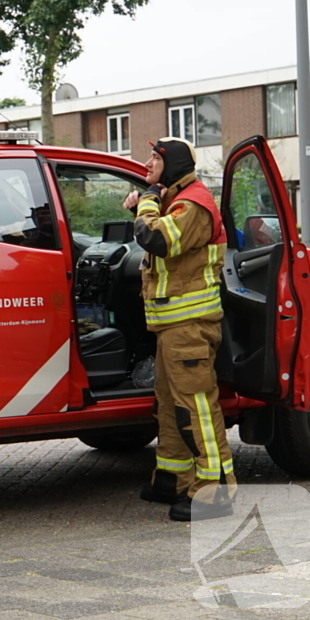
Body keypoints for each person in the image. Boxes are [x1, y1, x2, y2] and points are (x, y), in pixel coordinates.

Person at [122, 137, 236, 522]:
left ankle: (215, 493)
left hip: (189, 326)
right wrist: (147, 204)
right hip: (172, 326)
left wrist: (147, 201)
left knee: (197, 409)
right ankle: (172, 477)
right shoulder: (177, 201)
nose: (147, 162)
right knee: (169, 405)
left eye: (155, 157)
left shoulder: (193, 204)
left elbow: (157, 239)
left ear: (172, 165)